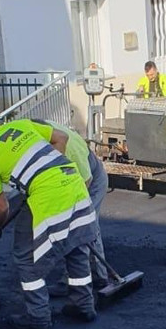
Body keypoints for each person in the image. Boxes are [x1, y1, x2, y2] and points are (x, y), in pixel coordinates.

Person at [0, 116, 98, 329]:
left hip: (49, 196)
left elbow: (0, 207)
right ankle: (84, 305)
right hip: (72, 181)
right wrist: (49, 170)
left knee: (25, 256)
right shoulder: (18, 125)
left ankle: (38, 316)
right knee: (75, 245)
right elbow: (61, 137)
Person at [30, 119, 109, 290]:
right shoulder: (35, 135)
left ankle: (99, 277)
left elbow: (86, 181)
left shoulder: (71, 149)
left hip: (92, 180)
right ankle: (77, 274)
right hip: (65, 181)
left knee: (85, 227)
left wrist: (72, 212)